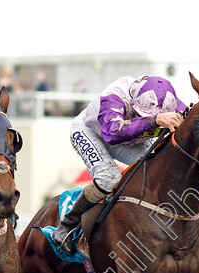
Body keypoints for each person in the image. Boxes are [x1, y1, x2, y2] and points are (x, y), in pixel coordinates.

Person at [51, 76, 186, 253]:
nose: (142, 118)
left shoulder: (168, 99)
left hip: (128, 137)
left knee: (156, 171)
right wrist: (154, 121)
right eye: (140, 114)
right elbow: (113, 133)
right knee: (109, 178)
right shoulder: (114, 96)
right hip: (94, 133)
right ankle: (66, 226)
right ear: (134, 100)